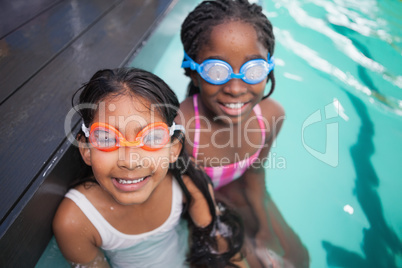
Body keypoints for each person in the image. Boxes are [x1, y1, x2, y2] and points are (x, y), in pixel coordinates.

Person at [53, 68, 245, 268]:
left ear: (173, 149)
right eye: (107, 138)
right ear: (86, 149)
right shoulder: (76, 221)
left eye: (152, 137)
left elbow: (222, 251)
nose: (130, 161)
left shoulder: (186, 182)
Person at [176, 0, 309, 267]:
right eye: (216, 70)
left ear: (269, 67)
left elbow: (256, 173)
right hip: (195, 204)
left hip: (237, 187)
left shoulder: (270, 117)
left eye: (253, 70)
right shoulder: (182, 126)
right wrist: (223, 236)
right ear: (193, 70)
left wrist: (264, 226)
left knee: (295, 259)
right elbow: (176, 199)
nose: (236, 89)